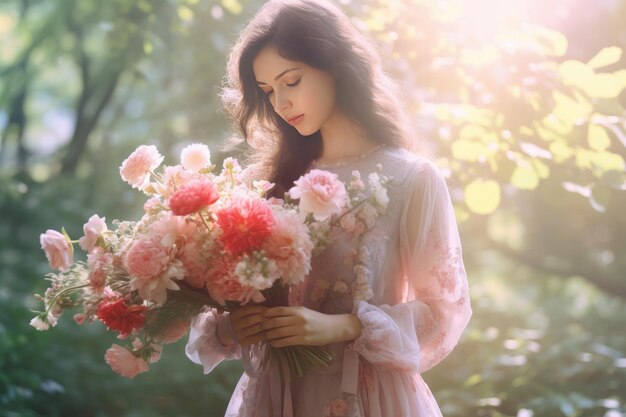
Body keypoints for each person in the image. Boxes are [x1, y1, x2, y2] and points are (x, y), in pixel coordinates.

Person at [185, 1, 472, 416]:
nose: (280, 103)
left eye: (292, 81)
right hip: (273, 398)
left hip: (367, 397)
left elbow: (445, 311)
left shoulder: (412, 178)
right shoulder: (263, 185)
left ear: (335, 63)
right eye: (268, 91)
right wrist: (233, 326)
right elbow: (217, 312)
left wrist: (344, 326)